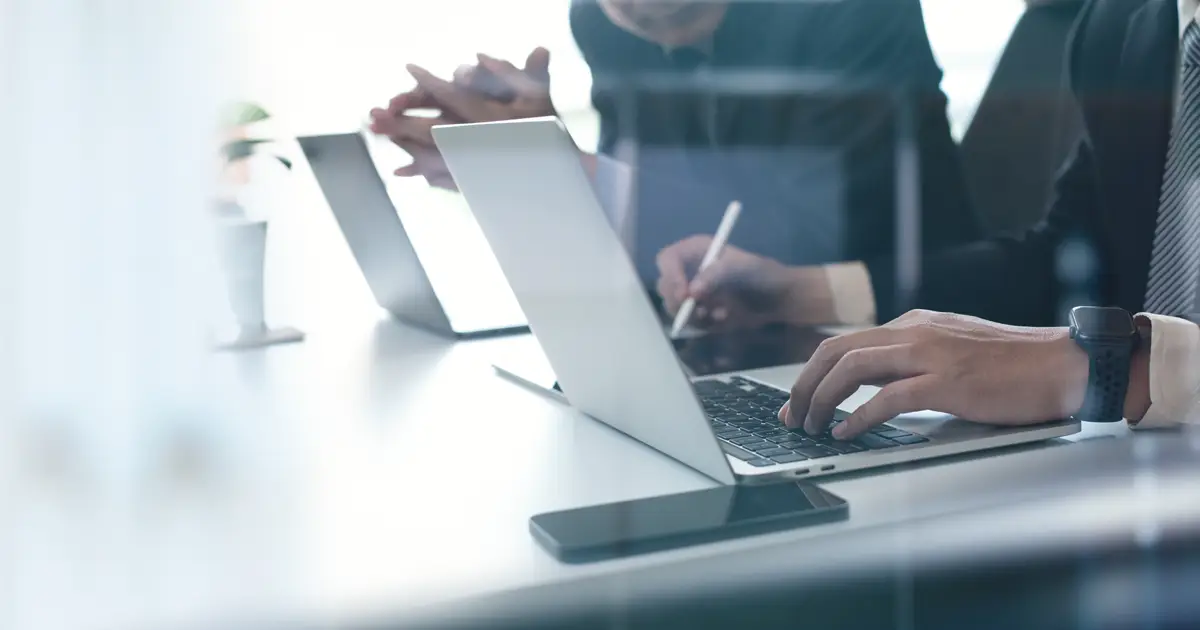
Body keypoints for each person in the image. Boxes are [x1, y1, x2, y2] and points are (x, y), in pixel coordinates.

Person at [756, 0, 1200, 439]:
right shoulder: (1123, 22)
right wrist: (803, 292)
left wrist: (1108, 368)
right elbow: (1064, 257)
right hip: (1132, 460)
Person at [369, 0, 981, 297]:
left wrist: (558, 167)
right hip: (734, 338)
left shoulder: (847, 10)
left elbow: (810, 239)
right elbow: (653, 224)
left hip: (898, 319)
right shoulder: (602, 23)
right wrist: (531, 146)